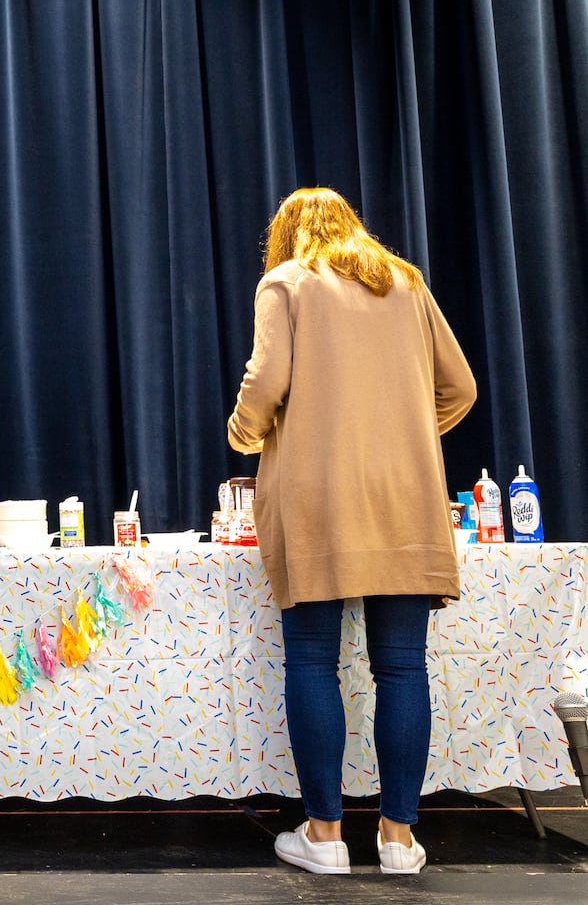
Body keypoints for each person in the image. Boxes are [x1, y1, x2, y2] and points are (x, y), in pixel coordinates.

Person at [226, 188, 476, 875]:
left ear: (287, 237)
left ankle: (325, 836)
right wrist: (406, 432)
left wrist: (245, 434)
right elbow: (461, 388)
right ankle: (398, 840)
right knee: (402, 667)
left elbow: (265, 380)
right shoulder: (406, 282)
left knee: (313, 663)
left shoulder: (286, 282)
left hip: (318, 500)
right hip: (406, 501)